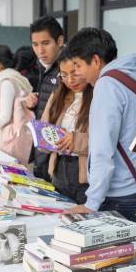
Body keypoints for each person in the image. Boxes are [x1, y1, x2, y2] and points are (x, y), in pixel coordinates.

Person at [63, 28, 136, 226]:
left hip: (117, 194)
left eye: (78, 65)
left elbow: (102, 149)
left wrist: (92, 203)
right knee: (132, 251)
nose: (77, 72)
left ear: (95, 61)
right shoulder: (134, 77)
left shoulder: (107, 85)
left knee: (112, 254)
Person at [40, 48, 93, 204]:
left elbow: (106, 141)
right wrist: (43, 137)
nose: (70, 80)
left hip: (84, 173)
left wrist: (75, 140)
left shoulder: (98, 96)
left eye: (75, 73)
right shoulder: (58, 96)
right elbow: (44, 128)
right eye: (64, 75)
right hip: (58, 168)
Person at [31, 16, 65, 181]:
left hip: (58, 159)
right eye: (35, 45)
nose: (40, 51)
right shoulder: (44, 67)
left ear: (59, 40)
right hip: (43, 152)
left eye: (45, 43)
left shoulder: (67, 69)